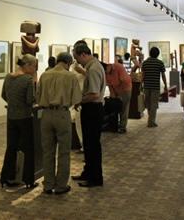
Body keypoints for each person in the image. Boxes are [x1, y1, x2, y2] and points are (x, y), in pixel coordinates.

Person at [36, 52, 82, 195]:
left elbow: (37, 97)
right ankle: (61, 185)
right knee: (63, 151)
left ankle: (48, 185)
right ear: (68, 64)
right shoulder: (70, 76)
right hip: (62, 114)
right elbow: (76, 99)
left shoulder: (45, 75)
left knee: (47, 151)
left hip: (46, 114)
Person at [0, 54, 37, 189]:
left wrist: (13, 104)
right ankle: (28, 179)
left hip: (11, 116)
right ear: (27, 65)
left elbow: (3, 94)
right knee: (28, 148)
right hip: (25, 117)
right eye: (34, 66)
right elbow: (29, 100)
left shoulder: (9, 77)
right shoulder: (27, 79)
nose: (35, 69)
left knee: (11, 147)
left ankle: (6, 176)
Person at [71, 41, 106, 188]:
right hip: (93, 109)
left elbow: (94, 94)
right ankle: (88, 172)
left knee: (92, 145)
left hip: (92, 109)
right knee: (89, 143)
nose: (77, 62)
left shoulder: (92, 69)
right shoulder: (94, 66)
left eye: (77, 58)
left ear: (83, 54)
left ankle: (95, 178)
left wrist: (79, 101)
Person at [101, 61, 132, 133]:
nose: (106, 72)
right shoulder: (105, 73)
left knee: (124, 107)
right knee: (115, 106)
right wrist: (114, 97)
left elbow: (124, 82)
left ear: (108, 66)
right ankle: (114, 125)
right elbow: (110, 86)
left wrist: (120, 96)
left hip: (125, 89)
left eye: (106, 70)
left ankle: (122, 126)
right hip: (115, 89)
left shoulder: (118, 67)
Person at [141, 47, 168, 127]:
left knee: (148, 103)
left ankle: (150, 119)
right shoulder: (160, 63)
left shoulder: (145, 63)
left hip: (147, 85)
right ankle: (151, 121)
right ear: (158, 54)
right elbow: (163, 75)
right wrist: (166, 86)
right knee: (154, 103)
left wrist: (140, 85)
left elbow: (143, 75)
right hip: (155, 86)